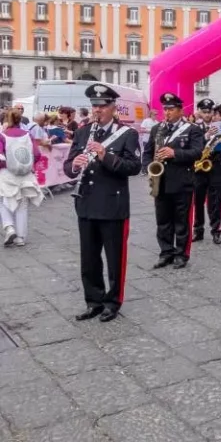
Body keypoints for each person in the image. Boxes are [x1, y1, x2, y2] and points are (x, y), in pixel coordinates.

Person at [63, 84, 141, 322]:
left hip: (112, 205)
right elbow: (68, 167)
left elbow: (134, 167)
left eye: (102, 106)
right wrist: (75, 165)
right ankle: (93, 301)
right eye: (94, 106)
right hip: (86, 202)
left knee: (114, 258)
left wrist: (105, 155)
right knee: (89, 258)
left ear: (113, 107)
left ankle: (112, 302)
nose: (97, 110)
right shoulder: (83, 132)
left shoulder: (127, 134)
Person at [142, 93, 205, 270]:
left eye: (171, 109)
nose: (167, 113)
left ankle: (181, 254)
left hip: (182, 181)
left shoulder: (192, 129)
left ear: (180, 110)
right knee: (162, 220)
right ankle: (166, 252)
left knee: (181, 220)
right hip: (160, 181)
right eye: (165, 109)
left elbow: (198, 152)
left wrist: (175, 153)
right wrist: (148, 167)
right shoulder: (157, 129)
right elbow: (147, 153)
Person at [0, 108, 44, 246]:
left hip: (7, 172)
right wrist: (28, 165)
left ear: (6, 120)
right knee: (22, 205)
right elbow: (37, 154)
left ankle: (9, 227)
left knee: (3, 201)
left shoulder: (2, 135)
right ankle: (21, 237)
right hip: (25, 173)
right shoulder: (27, 134)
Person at [192, 99, 221, 245]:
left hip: (216, 166)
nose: (207, 115)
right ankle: (198, 230)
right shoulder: (194, 127)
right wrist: (206, 136)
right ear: (199, 112)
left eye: (210, 112)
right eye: (204, 112)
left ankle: (216, 230)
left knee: (216, 201)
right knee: (198, 201)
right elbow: (192, 147)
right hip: (199, 168)